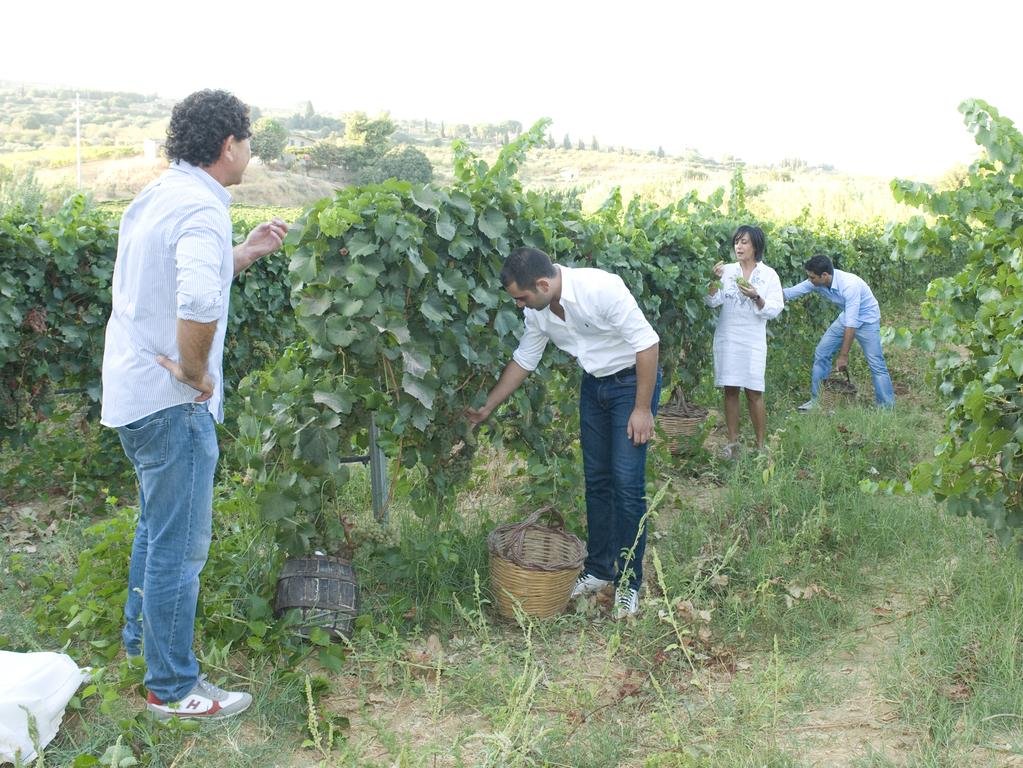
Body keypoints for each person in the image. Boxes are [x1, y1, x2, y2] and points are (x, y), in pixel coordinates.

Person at [100, 89, 289, 721]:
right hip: (170, 401)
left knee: (156, 527)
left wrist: (248, 253)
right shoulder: (202, 210)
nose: (250, 152)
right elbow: (198, 303)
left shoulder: (160, 196)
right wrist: (195, 370)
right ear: (228, 145)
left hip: (133, 394)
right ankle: (172, 688)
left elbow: (177, 277)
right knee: (180, 548)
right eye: (249, 140)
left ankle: (140, 644)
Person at [466, 247, 661, 619]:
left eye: (522, 298)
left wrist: (641, 408)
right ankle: (601, 569)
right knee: (598, 481)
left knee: (627, 483)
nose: (521, 306)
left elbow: (647, 344)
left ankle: (629, 583)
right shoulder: (539, 311)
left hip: (632, 385)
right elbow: (525, 358)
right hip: (595, 387)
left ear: (542, 284)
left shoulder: (601, 288)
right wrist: (488, 406)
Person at [705, 225, 784, 458]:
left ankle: (760, 448)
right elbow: (712, 301)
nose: (739, 246)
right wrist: (713, 280)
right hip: (728, 336)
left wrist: (756, 296)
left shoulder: (769, 275)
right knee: (730, 389)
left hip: (752, 340)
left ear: (756, 246)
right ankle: (733, 444)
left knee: (754, 391)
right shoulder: (727, 271)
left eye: (744, 242)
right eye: (737, 242)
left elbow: (775, 308)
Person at [782, 254, 895, 410]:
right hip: (847, 316)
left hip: (867, 319)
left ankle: (886, 407)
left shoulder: (850, 285)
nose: (809, 280)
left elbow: (852, 324)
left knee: (876, 363)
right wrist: (758, 296)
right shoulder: (816, 282)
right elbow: (789, 293)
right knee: (822, 352)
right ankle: (818, 401)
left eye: (812, 277)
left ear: (825, 275)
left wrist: (843, 356)